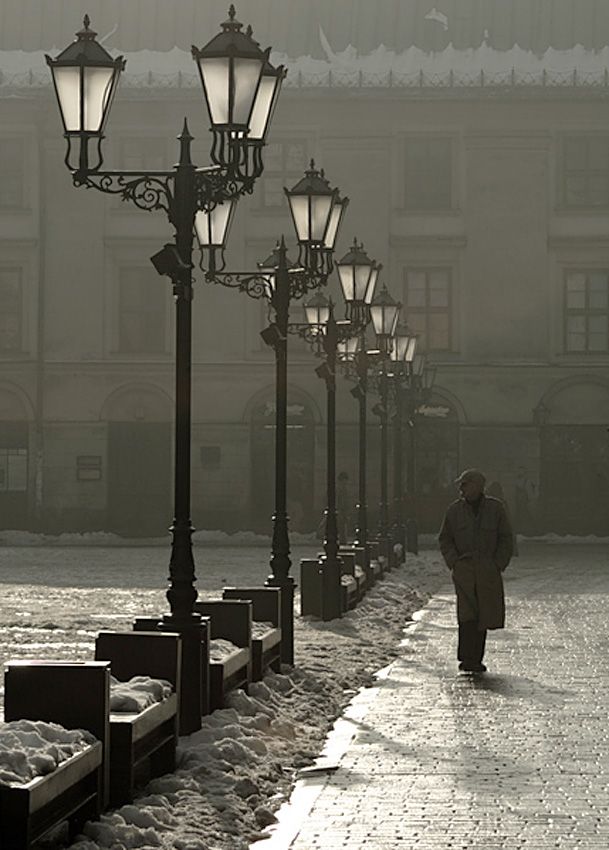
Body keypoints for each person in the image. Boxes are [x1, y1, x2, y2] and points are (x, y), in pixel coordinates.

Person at [438, 468, 514, 673]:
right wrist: (454, 562)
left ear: (478, 487)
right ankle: (466, 657)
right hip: (464, 569)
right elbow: (445, 538)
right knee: (466, 614)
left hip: (487, 570)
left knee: (483, 616)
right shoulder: (454, 511)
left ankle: (475, 658)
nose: (461, 490)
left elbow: (506, 537)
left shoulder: (495, 509)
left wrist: (498, 563)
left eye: (465, 485)